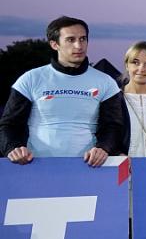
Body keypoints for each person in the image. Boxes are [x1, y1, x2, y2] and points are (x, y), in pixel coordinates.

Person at [1, 16, 122, 165]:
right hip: (36, 166)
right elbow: (9, 124)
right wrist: (12, 148)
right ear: (54, 44)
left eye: (83, 39)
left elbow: (113, 126)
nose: (79, 46)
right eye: (71, 40)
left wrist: (104, 148)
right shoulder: (30, 79)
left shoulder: (106, 82)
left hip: (88, 167)